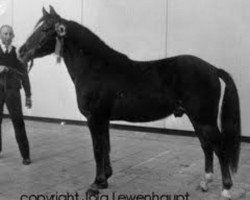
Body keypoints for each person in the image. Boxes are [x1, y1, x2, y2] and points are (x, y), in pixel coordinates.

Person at [0, 24, 32, 165]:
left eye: (10, 34)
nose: (7, 36)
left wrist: (28, 94)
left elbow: (24, 74)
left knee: (18, 122)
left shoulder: (17, 53)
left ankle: (25, 155)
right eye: (5, 34)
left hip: (13, 92)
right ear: (0, 35)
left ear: (13, 36)